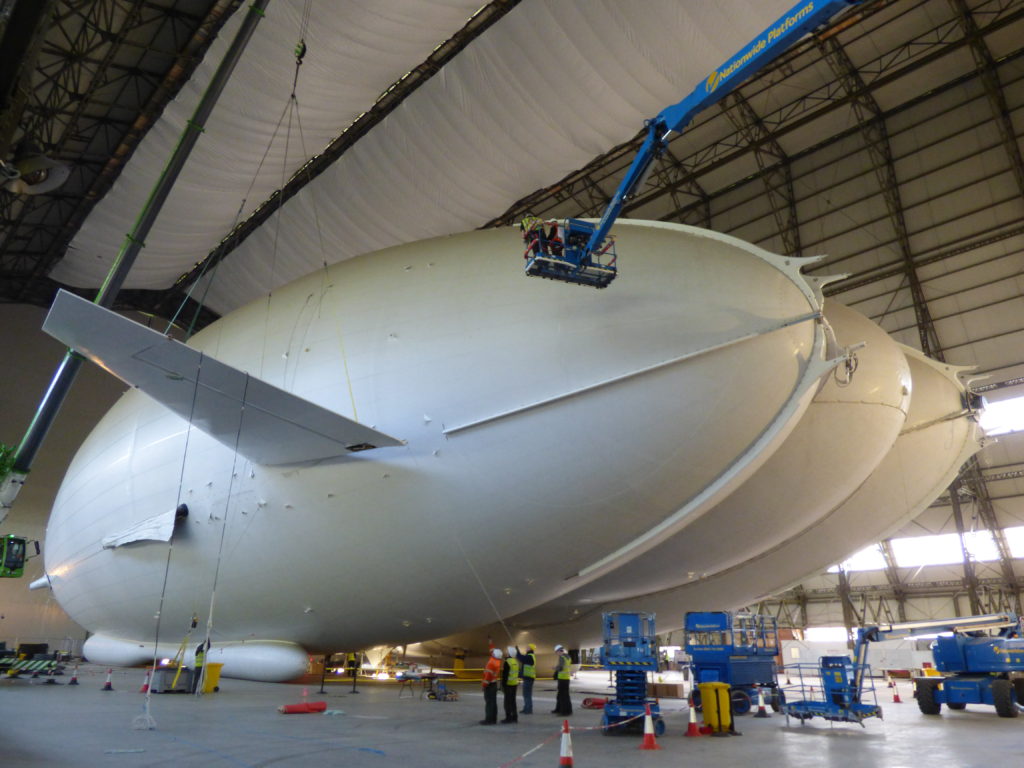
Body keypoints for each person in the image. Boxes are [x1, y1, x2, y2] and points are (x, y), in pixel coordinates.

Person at [480, 647, 502, 725]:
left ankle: (488, 720)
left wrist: (483, 685)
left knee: (489, 702)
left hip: (489, 685)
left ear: (494, 654)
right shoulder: (498, 662)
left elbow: (487, 676)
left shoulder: (491, 663)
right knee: (493, 702)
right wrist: (490, 643)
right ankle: (493, 719)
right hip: (494, 683)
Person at [501, 645, 520, 723]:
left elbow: (505, 675)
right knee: (513, 701)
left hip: (508, 685)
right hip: (514, 684)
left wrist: (503, 685)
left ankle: (508, 718)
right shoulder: (516, 662)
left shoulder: (507, 662)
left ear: (509, 653)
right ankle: (515, 717)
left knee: (507, 702)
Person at [552, 644, 572, 715]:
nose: (556, 653)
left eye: (556, 652)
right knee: (564, 695)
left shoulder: (562, 657)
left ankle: (564, 711)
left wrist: (555, 668)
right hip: (566, 679)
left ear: (559, 651)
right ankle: (561, 709)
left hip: (562, 679)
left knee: (562, 696)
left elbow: (560, 668)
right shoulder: (568, 657)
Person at [518, 644, 536, 714]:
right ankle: (526, 708)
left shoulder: (530, 656)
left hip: (528, 678)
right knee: (526, 694)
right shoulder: (530, 656)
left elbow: (521, 659)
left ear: (531, 649)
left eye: (528, 647)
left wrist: (517, 652)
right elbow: (522, 659)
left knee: (527, 695)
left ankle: (528, 710)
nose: (526, 648)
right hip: (529, 678)